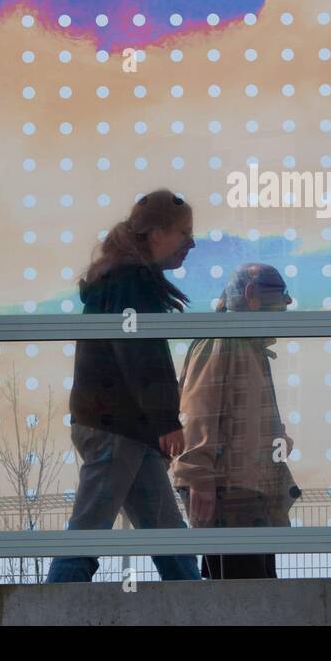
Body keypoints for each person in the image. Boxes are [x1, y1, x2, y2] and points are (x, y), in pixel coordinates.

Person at [47, 190, 202, 583]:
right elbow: (140, 352)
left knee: (166, 531)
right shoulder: (132, 281)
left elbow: (136, 352)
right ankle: (52, 604)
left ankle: (196, 600)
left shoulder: (120, 278)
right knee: (89, 531)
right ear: (157, 233)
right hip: (117, 425)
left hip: (124, 426)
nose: (192, 243)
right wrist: (166, 419)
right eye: (184, 233)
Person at [173, 264, 301, 579]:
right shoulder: (222, 340)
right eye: (279, 293)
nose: (286, 304)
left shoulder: (244, 344)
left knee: (252, 593)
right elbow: (197, 412)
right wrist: (199, 477)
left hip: (245, 491)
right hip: (230, 495)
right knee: (244, 594)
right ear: (252, 295)